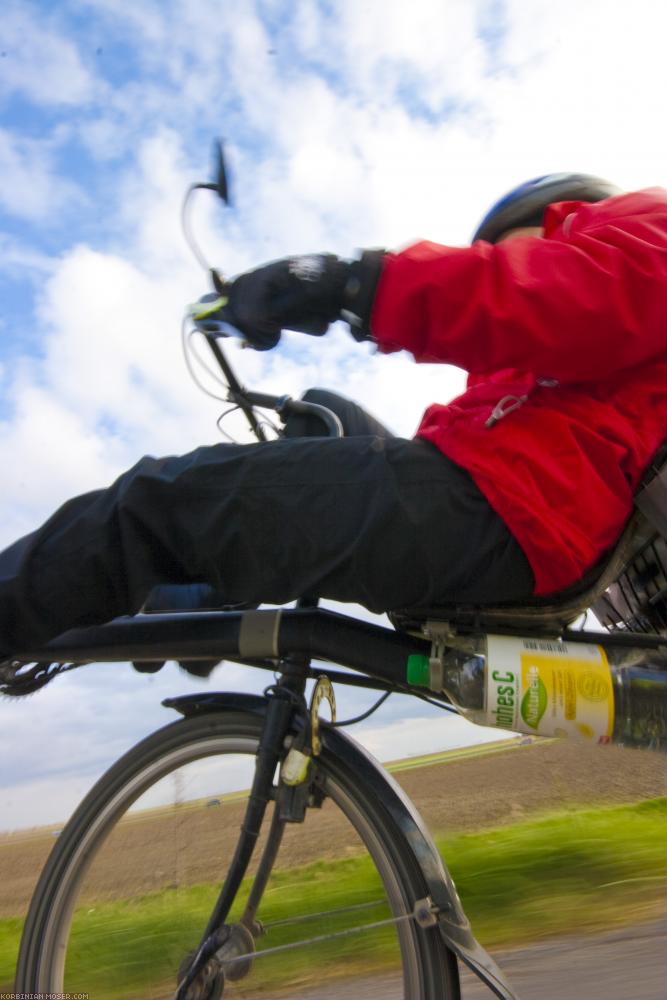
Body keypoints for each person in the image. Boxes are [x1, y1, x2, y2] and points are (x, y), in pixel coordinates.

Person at [3, 172, 667, 675]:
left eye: (504, 249)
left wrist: (348, 283)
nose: (494, 260)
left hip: (515, 510)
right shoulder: (544, 398)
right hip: (509, 506)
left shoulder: (635, 221)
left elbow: (561, 294)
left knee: (157, 502)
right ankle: (195, 592)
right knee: (322, 413)